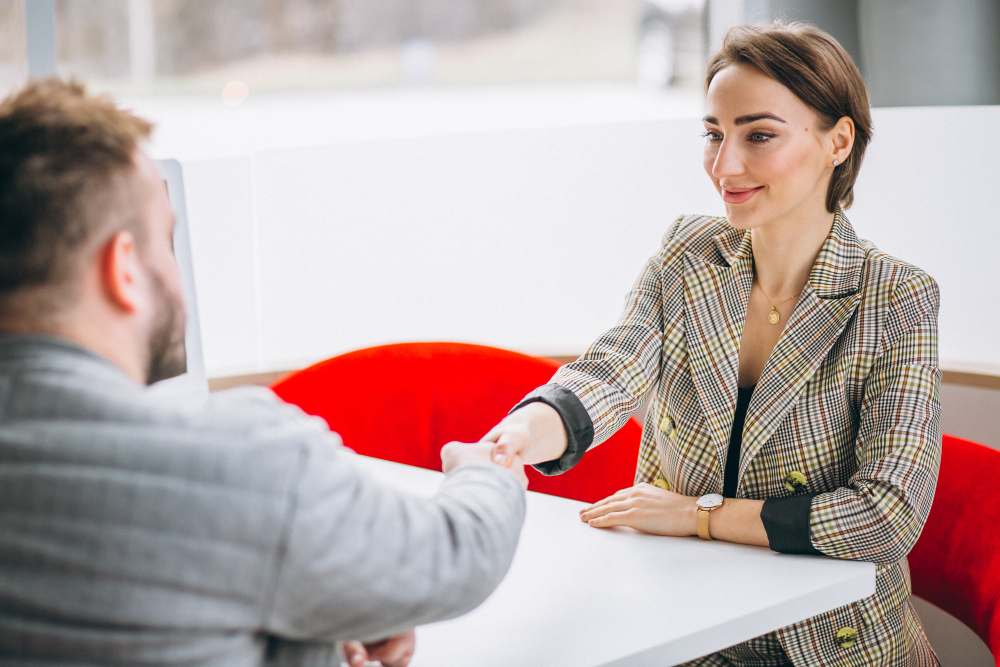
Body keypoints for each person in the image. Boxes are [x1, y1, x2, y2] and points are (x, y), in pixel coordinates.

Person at [0, 78, 528, 667]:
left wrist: (314, 637)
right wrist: (486, 474)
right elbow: (458, 552)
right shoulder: (240, 461)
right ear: (124, 268)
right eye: (166, 241)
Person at [483, 22, 941, 666]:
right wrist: (519, 437)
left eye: (759, 135)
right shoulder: (688, 252)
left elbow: (886, 516)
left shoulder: (894, 296)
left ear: (837, 141)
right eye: (713, 134)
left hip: (826, 643)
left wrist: (699, 515)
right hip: (680, 618)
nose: (725, 166)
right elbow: (613, 371)